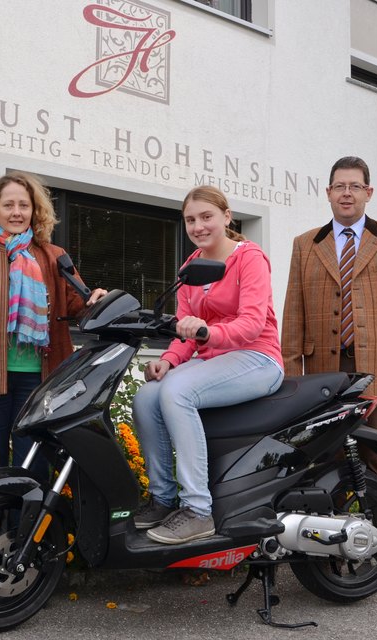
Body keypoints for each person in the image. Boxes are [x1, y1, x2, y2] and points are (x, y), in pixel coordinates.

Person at [281, 156, 377, 592]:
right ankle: (331, 553)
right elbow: (293, 312)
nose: (346, 193)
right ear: (328, 193)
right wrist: (290, 373)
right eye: (339, 186)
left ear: (368, 192)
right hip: (323, 371)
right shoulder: (307, 243)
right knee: (327, 460)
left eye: (355, 186)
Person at [132, 186, 284, 545]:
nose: (198, 226)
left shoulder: (249, 258)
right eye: (190, 220)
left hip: (258, 357)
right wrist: (168, 360)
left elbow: (251, 324)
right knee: (147, 396)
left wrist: (206, 332)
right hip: (216, 360)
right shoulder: (190, 269)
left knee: (177, 392)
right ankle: (163, 497)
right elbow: (185, 333)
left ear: (226, 217)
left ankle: (198, 510)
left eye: (206, 217)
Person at [0, 171, 106, 480]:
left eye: (24, 205)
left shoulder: (54, 256)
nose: (17, 212)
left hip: (40, 380)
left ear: (35, 210)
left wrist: (95, 300)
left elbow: (75, 304)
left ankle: (28, 529)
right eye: (8, 205)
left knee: (33, 467)